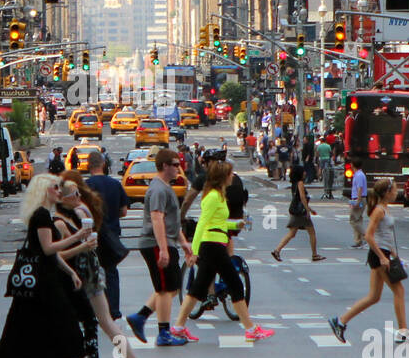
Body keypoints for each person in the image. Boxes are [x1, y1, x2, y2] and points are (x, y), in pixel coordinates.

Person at [0, 174, 116, 358]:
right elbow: (49, 249)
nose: (59, 191)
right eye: (55, 188)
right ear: (44, 191)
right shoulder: (41, 216)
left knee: (16, 330)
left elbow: (45, 252)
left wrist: (70, 272)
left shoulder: (40, 215)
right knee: (67, 326)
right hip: (43, 285)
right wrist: (78, 237)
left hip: (36, 284)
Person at [21, 174, 136, 358]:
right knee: (95, 323)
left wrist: (81, 243)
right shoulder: (65, 216)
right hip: (86, 274)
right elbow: (55, 252)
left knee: (101, 323)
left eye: (78, 193)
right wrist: (81, 243)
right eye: (74, 194)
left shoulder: (75, 213)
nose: (78, 197)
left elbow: (62, 251)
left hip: (87, 275)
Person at [171, 161, 273, 341]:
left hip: (215, 244)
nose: (233, 176)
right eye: (230, 173)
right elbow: (203, 223)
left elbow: (218, 223)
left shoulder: (219, 195)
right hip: (212, 246)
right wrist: (193, 251)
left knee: (197, 289)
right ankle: (250, 329)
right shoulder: (212, 197)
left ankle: (179, 326)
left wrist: (235, 224)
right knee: (234, 284)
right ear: (223, 177)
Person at [327, 178, 409, 344]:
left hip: (384, 254)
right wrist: (383, 257)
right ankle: (403, 331)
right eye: (395, 189)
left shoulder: (384, 209)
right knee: (399, 291)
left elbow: (385, 236)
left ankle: (340, 321)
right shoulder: (379, 211)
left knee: (374, 296)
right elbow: (369, 235)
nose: (397, 192)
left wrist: (394, 254)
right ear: (387, 192)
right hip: (379, 256)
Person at [125, 148, 195, 347]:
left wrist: (183, 243)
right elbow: (157, 218)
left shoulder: (166, 187)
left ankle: (140, 316)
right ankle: (163, 333)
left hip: (166, 242)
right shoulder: (158, 189)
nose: (178, 168)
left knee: (170, 288)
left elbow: (172, 221)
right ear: (164, 166)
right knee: (165, 289)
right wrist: (163, 249)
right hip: (156, 243)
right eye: (174, 164)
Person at [85, 151, 128, 321]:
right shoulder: (115, 184)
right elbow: (123, 211)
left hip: (93, 235)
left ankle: (96, 310)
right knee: (111, 272)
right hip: (112, 234)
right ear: (103, 164)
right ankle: (114, 310)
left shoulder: (86, 186)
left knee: (92, 272)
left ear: (89, 165)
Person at [271, 164, 324, 262]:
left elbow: (298, 199)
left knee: (292, 233)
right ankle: (314, 254)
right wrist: (307, 210)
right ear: (300, 173)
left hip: (296, 211)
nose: (305, 173)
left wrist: (310, 209)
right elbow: (302, 197)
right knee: (312, 233)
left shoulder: (294, 183)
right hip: (301, 213)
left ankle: (277, 250)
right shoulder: (300, 183)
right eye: (303, 171)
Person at [348, 158, 368, 247]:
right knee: (358, 219)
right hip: (356, 198)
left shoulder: (359, 175)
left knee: (353, 220)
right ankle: (358, 240)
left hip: (358, 199)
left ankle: (366, 236)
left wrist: (357, 201)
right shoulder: (358, 174)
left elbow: (360, 188)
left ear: (353, 164)